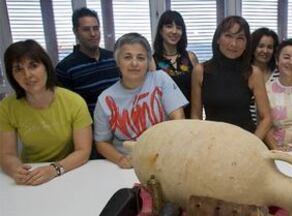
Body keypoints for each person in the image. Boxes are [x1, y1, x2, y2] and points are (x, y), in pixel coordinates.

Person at [0, 40, 92, 185]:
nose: (27, 75)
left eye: (33, 66)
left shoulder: (74, 101)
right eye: (18, 69)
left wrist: (53, 170)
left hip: (68, 171)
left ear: (46, 67)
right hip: (32, 173)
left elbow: (83, 151)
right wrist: (15, 169)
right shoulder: (6, 106)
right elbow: (7, 154)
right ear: (12, 76)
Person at [94, 33, 188, 169]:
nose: (134, 63)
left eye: (141, 58)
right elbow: (101, 142)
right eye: (127, 57)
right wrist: (121, 159)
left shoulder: (160, 79)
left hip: (163, 160)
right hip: (126, 164)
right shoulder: (105, 99)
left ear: (148, 61)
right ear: (117, 61)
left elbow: (178, 120)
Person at [191, 16, 271, 140]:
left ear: (246, 44)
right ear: (218, 38)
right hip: (212, 141)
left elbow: (267, 117)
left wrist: (251, 144)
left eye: (240, 38)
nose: (233, 44)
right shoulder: (200, 71)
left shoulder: (253, 73)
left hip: (245, 140)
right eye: (228, 36)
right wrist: (202, 142)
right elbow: (195, 115)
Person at [55, 7, 120, 115]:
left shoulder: (114, 58)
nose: (93, 34)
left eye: (96, 28)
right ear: (75, 32)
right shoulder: (65, 68)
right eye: (86, 29)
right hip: (89, 128)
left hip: (121, 122)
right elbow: (66, 108)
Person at [153, 10, 198, 118]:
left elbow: (198, 92)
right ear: (160, 30)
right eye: (169, 26)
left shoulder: (191, 57)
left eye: (178, 28)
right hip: (166, 122)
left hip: (191, 119)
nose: (174, 31)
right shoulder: (152, 61)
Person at [250, 27, 279, 124]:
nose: (265, 51)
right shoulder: (244, 74)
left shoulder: (279, 74)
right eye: (261, 46)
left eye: (270, 47)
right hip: (248, 132)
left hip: (276, 132)